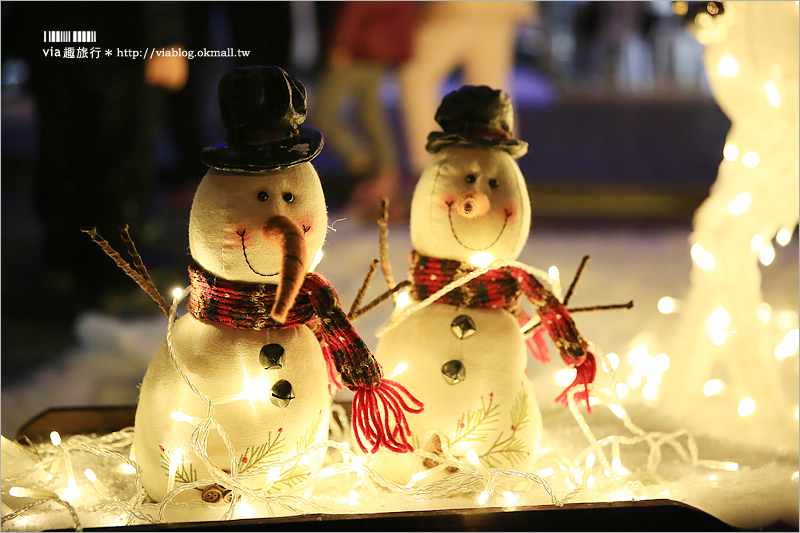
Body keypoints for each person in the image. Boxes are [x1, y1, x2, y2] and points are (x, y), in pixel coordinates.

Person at [3, 2, 187, 321]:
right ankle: (113, 281)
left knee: (66, 151)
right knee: (117, 158)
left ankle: (67, 264)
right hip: (116, 35)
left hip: (51, 28)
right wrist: (163, 36)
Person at [399, 1, 535, 177]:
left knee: (416, 77)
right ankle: (498, 167)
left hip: (459, 8)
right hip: (501, 8)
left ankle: (428, 165)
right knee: (489, 88)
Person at [314, 1, 419, 221]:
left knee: (323, 113)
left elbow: (356, 9)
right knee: (370, 113)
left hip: (357, 49)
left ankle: (364, 164)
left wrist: (342, 43)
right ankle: (386, 174)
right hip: (379, 50)